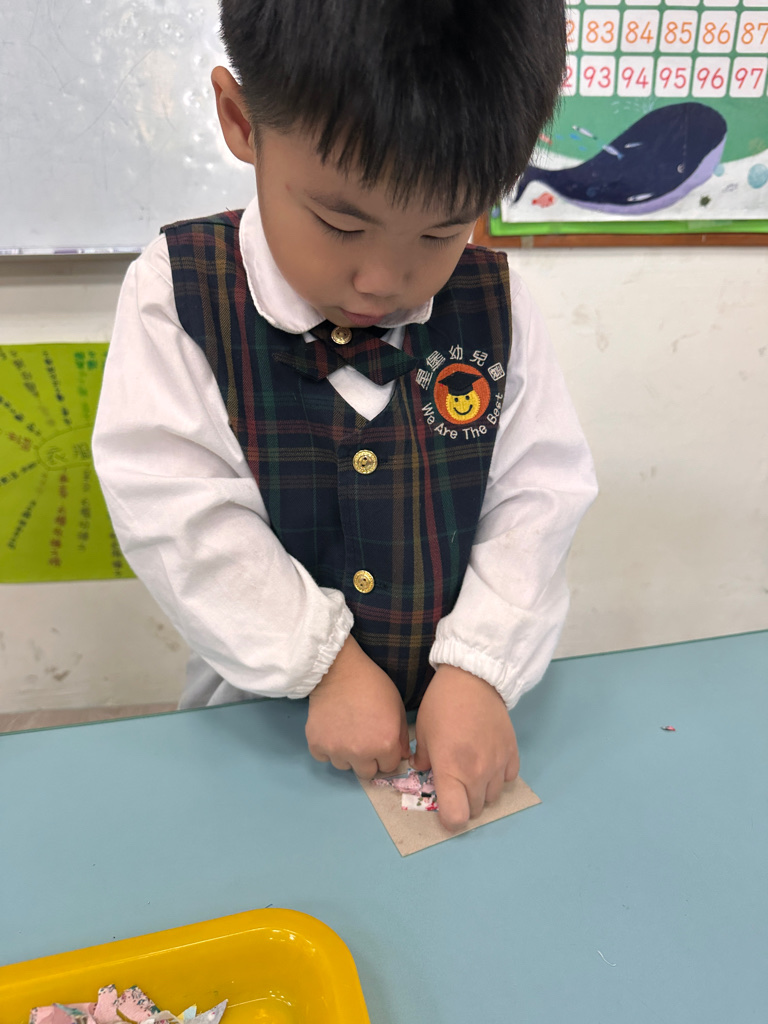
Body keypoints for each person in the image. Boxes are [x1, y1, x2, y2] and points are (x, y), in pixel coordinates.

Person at [92, 0, 597, 832]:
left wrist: (478, 666)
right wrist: (321, 662)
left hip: (456, 719)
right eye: (340, 223)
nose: (382, 282)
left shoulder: (496, 304)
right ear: (242, 122)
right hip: (260, 721)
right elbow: (174, 511)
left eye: (440, 233)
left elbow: (537, 496)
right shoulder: (176, 293)